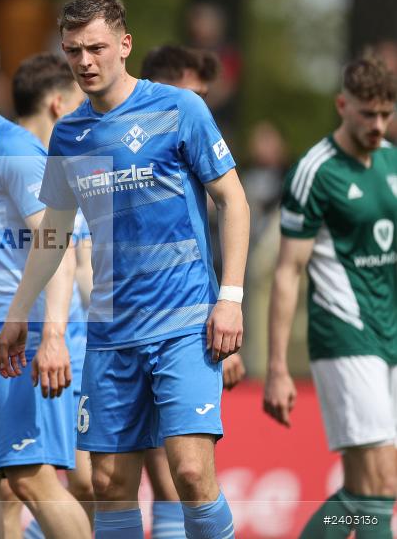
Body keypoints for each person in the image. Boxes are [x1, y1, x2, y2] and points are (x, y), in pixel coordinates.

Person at [0, 0, 249, 539]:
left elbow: (235, 201)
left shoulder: (181, 108)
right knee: (109, 482)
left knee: (188, 471)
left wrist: (229, 300)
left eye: (96, 48)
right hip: (111, 331)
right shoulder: (69, 134)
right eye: (73, 51)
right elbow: (55, 233)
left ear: (124, 44)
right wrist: (20, 312)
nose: (84, 62)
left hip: (185, 322)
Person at [0, 35, 90, 539]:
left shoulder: (16, 148)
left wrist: (51, 336)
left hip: (15, 339)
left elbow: (60, 244)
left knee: (31, 481)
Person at [263, 57, 397, 539]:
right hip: (344, 337)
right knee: (381, 483)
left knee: (370, 494)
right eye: (368, 114)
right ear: (343, 105)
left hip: (391, 337)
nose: (378, 126)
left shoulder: (392, 161)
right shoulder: (314, 170)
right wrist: (277, 369)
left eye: (386, 114)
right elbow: (286, 272)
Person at [138, 43, 248, 538]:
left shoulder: (189, 145)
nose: (203, 108)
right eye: (196, 95)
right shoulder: (96, 137)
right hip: (99, 330)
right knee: (89, 483)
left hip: (180, 326)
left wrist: (226, 301)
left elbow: (230, 210)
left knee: (177, 473)